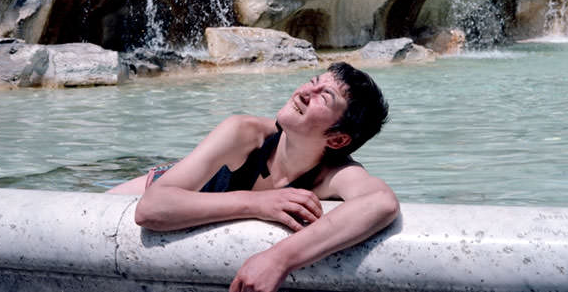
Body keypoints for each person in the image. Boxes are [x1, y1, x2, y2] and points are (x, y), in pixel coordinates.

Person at [108, 62, 398, 292]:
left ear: (336, 140)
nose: (304, 93)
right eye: (313, 82)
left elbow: (381, 202)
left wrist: (279, 259)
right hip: (168, 179)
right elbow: (151, 207)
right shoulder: (244, 133)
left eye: (323, 96)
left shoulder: (332, 174)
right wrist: (257, 204)